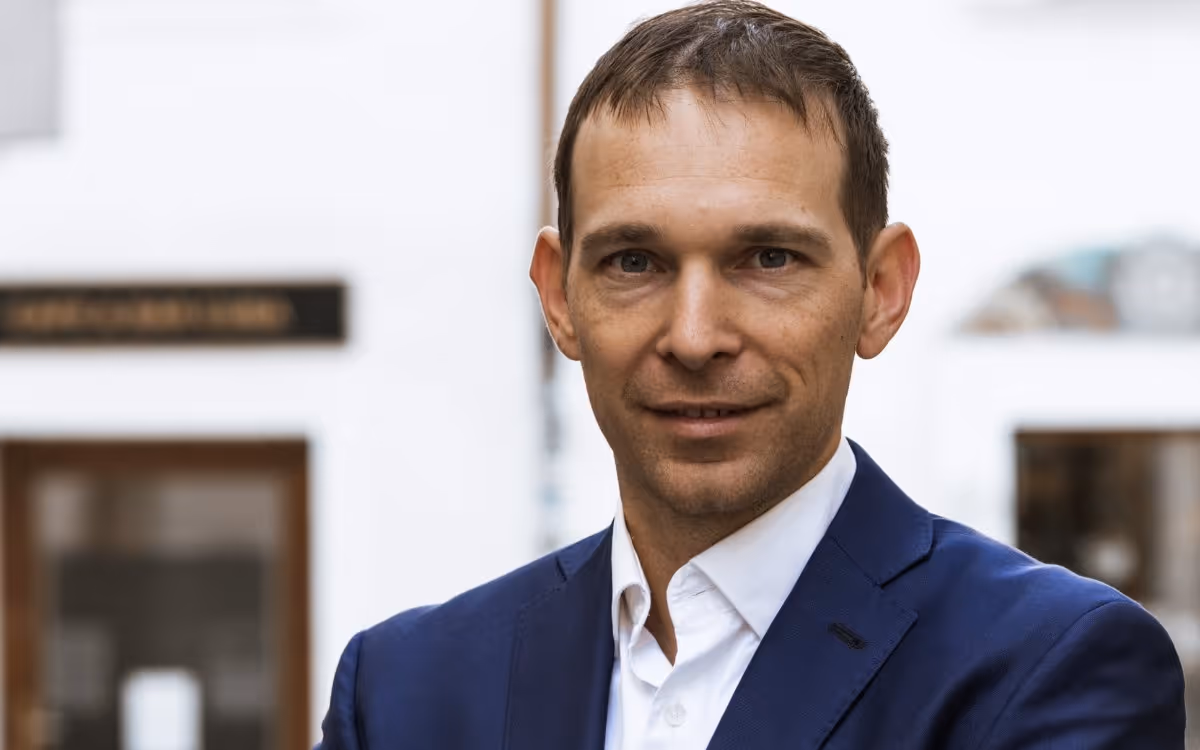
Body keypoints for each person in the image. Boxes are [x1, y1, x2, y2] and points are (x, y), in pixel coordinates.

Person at [317, 2, 1186, 748]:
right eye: (633, 262)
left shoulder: (1044, 668)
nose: (695, 338)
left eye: (769, 258)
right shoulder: (406, 692)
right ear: (558, 296)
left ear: (881, 291)